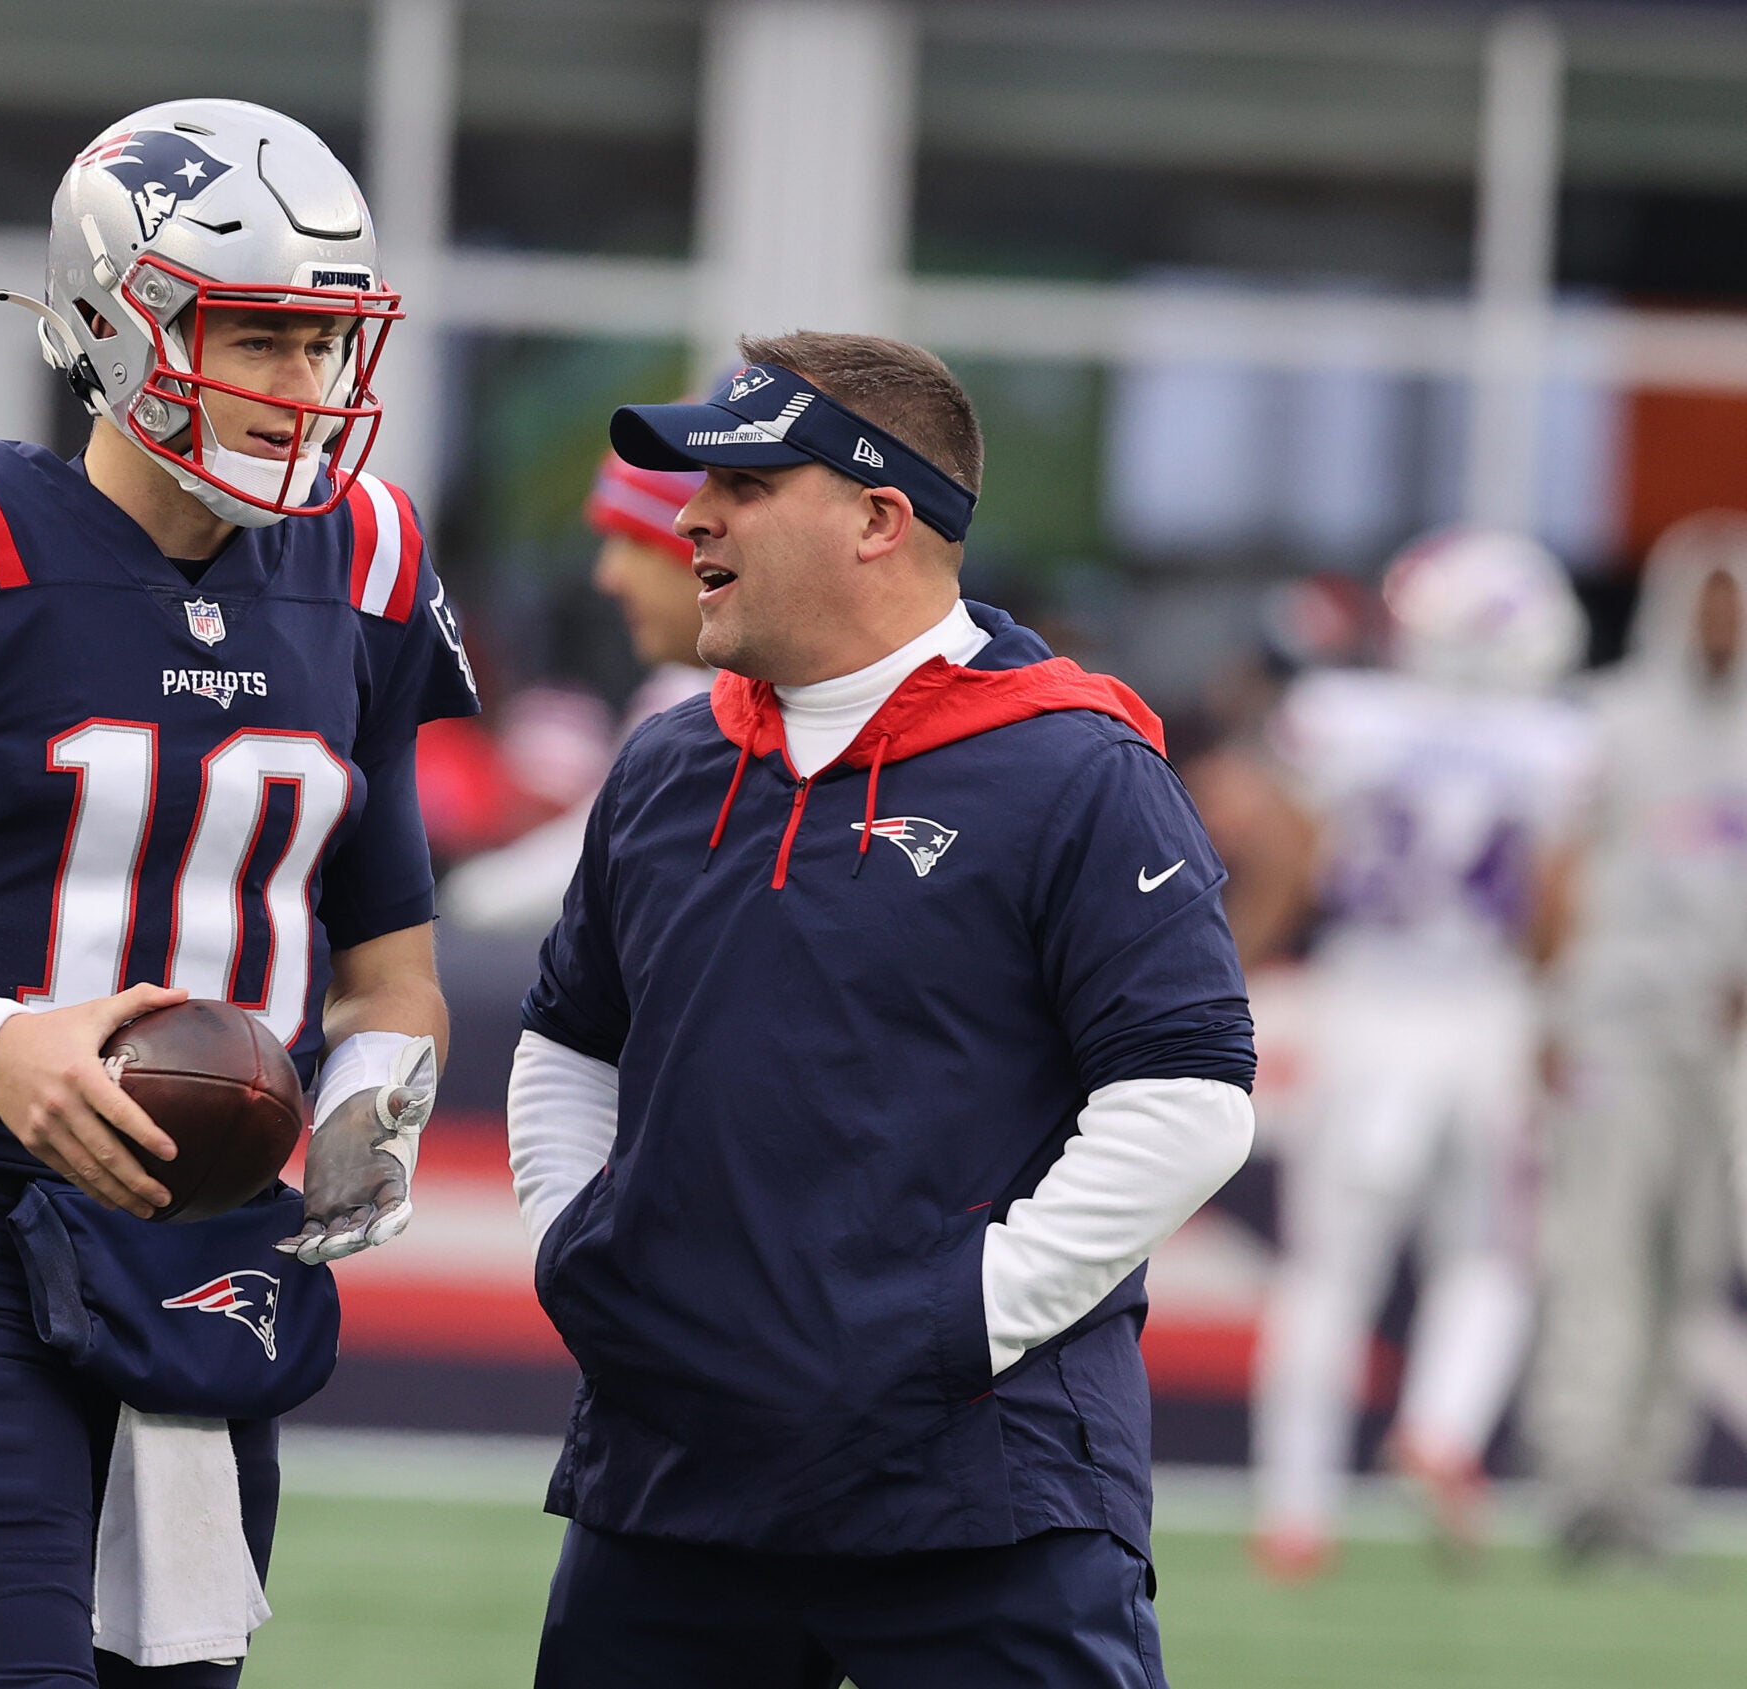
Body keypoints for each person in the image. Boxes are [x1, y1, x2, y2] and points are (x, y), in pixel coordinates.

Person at [0, 98, 477, 1687]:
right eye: (255, 334)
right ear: (115, 319)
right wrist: (2, 1047)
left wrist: (377, 1098)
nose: (302, 388)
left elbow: (389, 969)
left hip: (213, 1253)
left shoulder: (370, 565)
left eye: (327, 343)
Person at [506, 333, 1256, 1688]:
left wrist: (952, 1323)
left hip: (983, 1491)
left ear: (877, 517)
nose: (690, 515)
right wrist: (581, 1246)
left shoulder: (1076, 767)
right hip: (674, 1477)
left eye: (741, 482)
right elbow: (569, 1038)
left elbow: (1188, 1099)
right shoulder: (670, 763)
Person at [1245, 530, 1594, 1577]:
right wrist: (1553, 1016)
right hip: (1480, 1012)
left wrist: (1234, 964)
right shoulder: (1555, 745)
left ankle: (1295, 1513)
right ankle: (1442, 1425)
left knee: (1326, 1270)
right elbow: (1551, 907)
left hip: (1364, 1002)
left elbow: (1294, 867)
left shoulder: (1339, 721)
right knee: (1485, 1257)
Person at [1527, 512, 1747, 1567]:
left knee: (1690, 1265)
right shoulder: (1606, 720)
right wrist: (1556, 1012)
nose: (1719, 621)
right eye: (1705, 597)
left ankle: (1649, 1485)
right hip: (1618, 1025)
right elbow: (1559, 872)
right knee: (1600, 1251)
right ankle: (1581, 1478)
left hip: (1725, 1041)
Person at [442, 452, 712, 930]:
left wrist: (460, 905)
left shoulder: (710, 711)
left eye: (635, 540)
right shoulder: (686, 690)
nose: (608, 576)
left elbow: (594, 864)